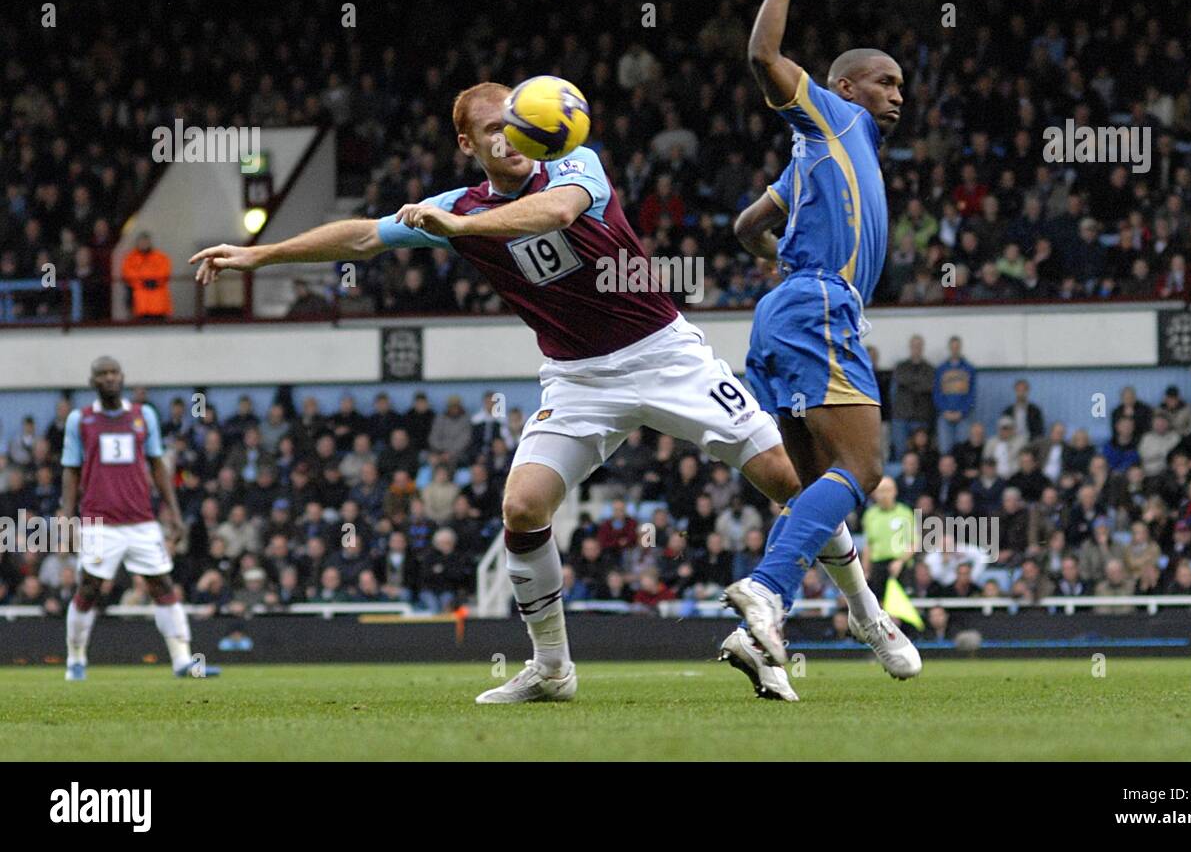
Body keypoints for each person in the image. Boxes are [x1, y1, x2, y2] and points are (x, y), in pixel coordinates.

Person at [191, 79, 804, 705]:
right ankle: (552, 669)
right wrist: (258, 254)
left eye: (516, 121)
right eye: (492, 128)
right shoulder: (458, 206)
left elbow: (557, 212)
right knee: (522, 509)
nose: (509, 135)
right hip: (578, 378)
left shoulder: (573, 164)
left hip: (664, 353)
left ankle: (867, 614)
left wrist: (460, 224)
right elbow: (363, 237)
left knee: (789, 479)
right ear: (467, 142)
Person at [721, 0, 920, 684]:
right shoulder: (833, 116)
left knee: (813, 489)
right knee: (865, 467)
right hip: (819, 304)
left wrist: (783, 255)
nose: (897, 93)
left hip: (784, 310)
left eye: (902, 84)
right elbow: (763, 56)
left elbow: (743, 225)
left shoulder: (817, 158)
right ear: (845, 83)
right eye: (885, 80)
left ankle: (791, 637)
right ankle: (767, 590)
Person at [61, 357, 217, 680]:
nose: (109, 378)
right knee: (89, 588)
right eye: (102, 374)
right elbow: (71, 471)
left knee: (162, 584)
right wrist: (67, 518)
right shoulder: (81, 420)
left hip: (141, 520)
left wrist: (172, 511)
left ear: (122, 378)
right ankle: (75, 659)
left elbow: (158, 465)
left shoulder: (143, 416)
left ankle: (183, 661)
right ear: (93, 382)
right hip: (98, 521)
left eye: (114, 373)